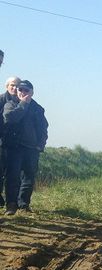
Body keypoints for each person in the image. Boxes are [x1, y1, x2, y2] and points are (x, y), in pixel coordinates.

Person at [2, 80, 49, 215]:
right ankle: (11, 205)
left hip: (31, 149)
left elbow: (43, 128)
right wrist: (23, 104)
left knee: (29, 178)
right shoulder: (10, 104)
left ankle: (23, 205)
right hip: (14, 148)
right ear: (17, 91)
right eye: (20, 89)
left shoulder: (38, 109)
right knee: (12, 177)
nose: (23, 92)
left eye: (26, 90)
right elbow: (10, 118)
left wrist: (40, 145)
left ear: (32, 92)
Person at [0, 76, 20, 209]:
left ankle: (11, 203)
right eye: (12, 85)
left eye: (17, 85)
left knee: (13, 175)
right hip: (1, 142)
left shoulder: (24, 101)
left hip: (16, 145)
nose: (14, 87)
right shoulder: (0, 100)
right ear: (7, 86)